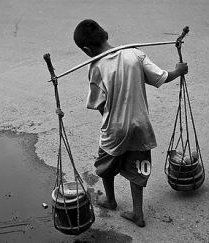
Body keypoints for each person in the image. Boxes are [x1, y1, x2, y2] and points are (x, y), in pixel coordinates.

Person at [73, 19, 188, 227]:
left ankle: (110, 199)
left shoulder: (96, 67)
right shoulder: (135, 54)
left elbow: (99, 104)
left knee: (105, 165)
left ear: (87, 49)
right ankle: (138, 213)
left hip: (114, 130)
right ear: (106, 34)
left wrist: (112, 119)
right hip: (140, 126)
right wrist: (178, 71)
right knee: (138, 168)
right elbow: (161, 77)